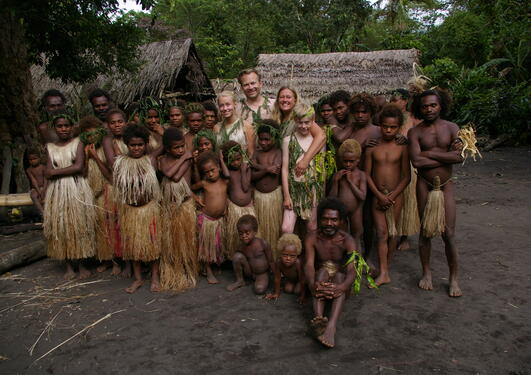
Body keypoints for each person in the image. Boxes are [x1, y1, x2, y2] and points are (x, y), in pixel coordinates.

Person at [409, 89, 464, 297]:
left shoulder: (452, 128)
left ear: (440, 105)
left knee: (448, 234)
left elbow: (459, 157)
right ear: (419, 108)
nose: (429, 109)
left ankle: (454, 278)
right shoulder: (415, 132)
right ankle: (427, 273)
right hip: (424, 184)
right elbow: (416, 161)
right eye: (425, 106)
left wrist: (429, 153)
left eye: (433, 105)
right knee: (425, 232)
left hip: (446, 184)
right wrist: (445, 155)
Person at [43, 114, 96, 280]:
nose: (64, 129)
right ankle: (68, 266)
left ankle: (81, 264)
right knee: (62, 226)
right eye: (60, 126)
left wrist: (55, 172)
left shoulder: (78, 143)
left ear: (72, 126)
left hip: (76, 189)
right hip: (58, 192)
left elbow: (79, 167)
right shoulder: (50, 147)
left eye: (66, 125)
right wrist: (57, 171)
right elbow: (47, 172)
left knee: (77, 224)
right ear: (54, 128)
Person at [113, 124, 163, 293]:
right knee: (133, 246)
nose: (136, 148)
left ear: (146, 144)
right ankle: (138, 279)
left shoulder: (150, 159)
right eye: (133, 145)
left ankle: (155, 277)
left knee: (153, 243)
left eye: (140, 144)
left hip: (148, 209)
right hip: (130, 210)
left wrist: (157, 131)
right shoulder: (121, 162)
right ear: (127, 144)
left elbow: (163, 145)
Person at [364, 104, 411, 286]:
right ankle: (383, 272)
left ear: (399, 128)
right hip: (378, 195)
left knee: (392, 233)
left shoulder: (402, 147)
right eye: (385, 126)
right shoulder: (372, 147)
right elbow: (367, 175)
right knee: (382, 233)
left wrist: (392, 196)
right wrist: (379, 195)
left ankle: (386, 268)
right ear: (380, 125)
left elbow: (406, 176)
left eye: (393, 127)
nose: (388, 130)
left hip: (396, 195)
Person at [305, 197, 357, 348]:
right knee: (321, 273)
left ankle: (331, 326)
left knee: (341, 276)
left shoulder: (347, 240)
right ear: (320, 219)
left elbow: (352, 270)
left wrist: (342, 287)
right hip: (320, 284)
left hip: (339, 287)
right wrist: (312, 284)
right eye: (325, 219)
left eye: (333, 220)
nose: (329, 223)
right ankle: (319, 320)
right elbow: (308, 265)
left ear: (341, 221)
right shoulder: (313, 237)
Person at [158, 128, 199, 291]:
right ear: (168, 149)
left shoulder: (188, 159)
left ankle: (188, 271)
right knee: (171, 242)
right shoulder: (162, 160)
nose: (181, 150)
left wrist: (185, 158)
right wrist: (184, 158)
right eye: (177, 148)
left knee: (186, 240)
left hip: (185, 206)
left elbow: (176, 177)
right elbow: (170, 174)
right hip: (169, 207)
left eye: (183, 146)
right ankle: (173, 271)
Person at [78, 116, 117, 274]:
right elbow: (82, 172)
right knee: (100, 228)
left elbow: (110, 175)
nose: (92, 137)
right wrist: (87, 158)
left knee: (112, 226)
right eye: (88, 134)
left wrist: (95, 157)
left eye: (95, 133)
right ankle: (105, 259)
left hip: (107, 190)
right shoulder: (84, 149)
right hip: (91, 194)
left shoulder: (105, 148)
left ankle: (116, 260)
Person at [281, 103, 324, 234]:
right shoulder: (288, 140)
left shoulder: (317, 142)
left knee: (311, 227)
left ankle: (308, 254)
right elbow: (284, 169)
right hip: (294, 189)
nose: (303, 126)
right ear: (295, 120)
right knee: (286, 228)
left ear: (313, 121)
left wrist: (321, 193)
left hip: (312, 190)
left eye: (307, 122)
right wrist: (286, 196)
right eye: (300, 122)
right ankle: (289, 254)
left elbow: (320, 169)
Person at [271, 86, 326, 178]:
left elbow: (321, 136)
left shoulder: (302, 118)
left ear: (295, 100)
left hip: (299, 168)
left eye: (288, 97)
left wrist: (306, 160)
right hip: (282, 166)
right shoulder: (277, 119)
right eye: (282, 97)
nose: (285, 100)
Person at [390, 89, 421, 251]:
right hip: (390, 162)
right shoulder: (388, 118)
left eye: (396, 100)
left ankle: (404, 236)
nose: (393, 103)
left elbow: (421, 139)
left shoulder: (413, 119)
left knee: (408, 199)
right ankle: (390, 232)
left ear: (404, 101)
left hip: (408, 163)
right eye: (392, 100)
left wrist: (408, 141)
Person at [251, 120, 284, 258]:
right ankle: (260, 256)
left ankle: (274, 256)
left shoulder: (278, 152)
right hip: (259, 197)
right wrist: (266, 169)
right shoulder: (256, 154)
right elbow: (252, 176)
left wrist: (258, 167)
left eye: (267, 139)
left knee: (273, 229)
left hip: (273, 197)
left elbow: (275, 170)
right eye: (261, 139)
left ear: (274, 138)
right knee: (261, 229)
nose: (263, 142)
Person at [195, 151, 229, 284]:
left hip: (219, 221)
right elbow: (189, 188)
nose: (210, 174)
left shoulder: (225, 182)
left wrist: (221, 159)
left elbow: (228, 175)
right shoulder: (204, 183)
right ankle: (208, 270)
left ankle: (214, 265)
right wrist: (195, 198)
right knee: (206, 247)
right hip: (206, 220)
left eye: (213, 170)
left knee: (217, 245)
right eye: (207, 172)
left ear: (219, 167)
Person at [329, 139, 367, 254]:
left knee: (357, 235)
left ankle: (357, 264)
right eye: (345, 161)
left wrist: (350, 182)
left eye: (351, 161)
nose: (348, 164)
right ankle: (342, 262)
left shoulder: (361, 175)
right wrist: (335, 181)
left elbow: (362, 196)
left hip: (356, 210)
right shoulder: (338, 175)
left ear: (358, 161)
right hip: (341, 211)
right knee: (341, 236)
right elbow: (332, 198)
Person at [221, 140, 257, 258]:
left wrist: (243, 171)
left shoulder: (246, 168)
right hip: (234, 209)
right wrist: (221, 160)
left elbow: (246, 187)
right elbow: (226, 176)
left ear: (242, 157)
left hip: (248, 209)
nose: (236, 162)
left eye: (238, 159)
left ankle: (250, 257)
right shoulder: (227, 171)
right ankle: (235, 258)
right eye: (232, 160)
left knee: (249, 236)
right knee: (235, 236)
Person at [227, 215, 274, 294]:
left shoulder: (263, 243)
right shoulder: (241, 247)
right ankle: (240, 280)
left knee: (259, 290)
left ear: (255, 231)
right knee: (237, 256)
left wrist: (276, 279)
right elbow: (240, 262)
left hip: (261, 273)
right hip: (250, 273)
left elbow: (271, 261)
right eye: (241, 233)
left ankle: (262, 279)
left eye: (247, 233)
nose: (244, 236)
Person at [265, 233, 305, 303]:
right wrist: (276, 293)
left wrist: (302, 296)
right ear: (280, 253)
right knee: (288, 289)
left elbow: (302, 280)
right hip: (291, 280)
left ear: (297, 255)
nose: (288, 258)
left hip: (300, 281)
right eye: (285, 255)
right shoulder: (279, 262)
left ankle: (305, 292)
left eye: (292, 256)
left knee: (297, 291)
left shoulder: (297, 263)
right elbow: (277, 278)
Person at [215, 91, 255, 156]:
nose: (225, 108)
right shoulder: (217, 127)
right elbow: (217, 152)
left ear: (235, 104)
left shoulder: (246, 126)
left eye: (228, 104)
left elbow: (251, 153)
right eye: (221, 105)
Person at [26, 149, 47, 216]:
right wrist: (39, 191)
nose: (33, 161)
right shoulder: (29, 170)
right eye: (30, 160)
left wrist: (44, 189)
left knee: (46, 196)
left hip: (46, 186)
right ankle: (43, 213)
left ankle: (48, 211)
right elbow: (33, 181)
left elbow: (46, 179)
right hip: (36, 188)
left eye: (35, 158)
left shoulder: (44, 167)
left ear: (39, 158)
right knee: (33, 196)